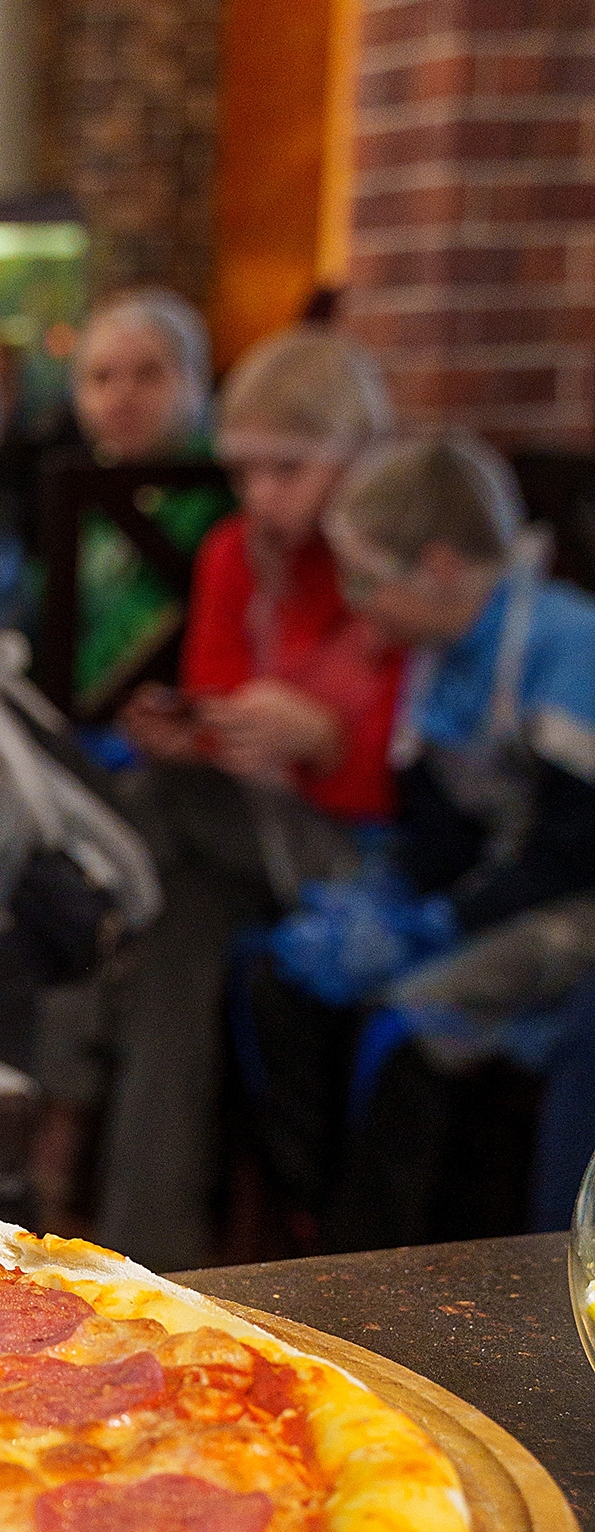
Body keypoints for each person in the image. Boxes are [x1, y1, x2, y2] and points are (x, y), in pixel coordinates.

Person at [89, 326, 401, 1269]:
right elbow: (217, 697)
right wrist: (199, 731)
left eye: (289, 470)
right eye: (247, 471)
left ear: (358, 457)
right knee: (174, 938)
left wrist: (324, 744)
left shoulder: (393, 554)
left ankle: (59, 1112)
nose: (262, 496)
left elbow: (425, 779)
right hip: (235, 845)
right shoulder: (236, 552)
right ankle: (153, 1252)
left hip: (365, 859)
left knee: (126, 823)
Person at [245, 434, 595, 1250]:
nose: (354, 601)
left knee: (407, 1029)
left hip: (568, 904)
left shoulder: (566, 646)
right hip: (489, 892)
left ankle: (391, 1268)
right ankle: (310, 1231)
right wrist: (391, 898)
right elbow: (431, 825)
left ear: (439, 566)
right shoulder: (435, 651)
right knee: (276, 979)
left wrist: (443, 923)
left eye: (366, 580)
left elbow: (572, 849)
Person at [61, 288, 227, 713]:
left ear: (195, 382)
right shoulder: (83, 487)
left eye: (148, 375)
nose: (122, 396)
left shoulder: (223, 492)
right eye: (101, 377)